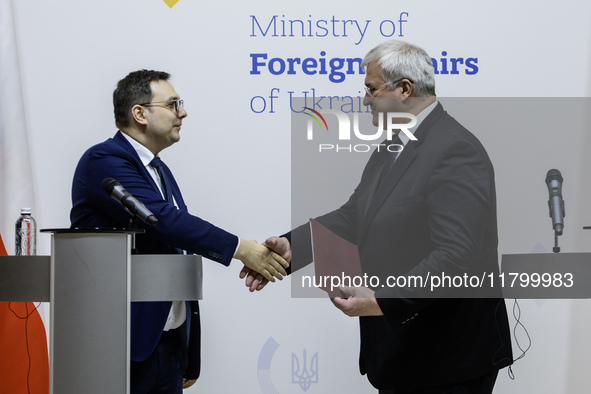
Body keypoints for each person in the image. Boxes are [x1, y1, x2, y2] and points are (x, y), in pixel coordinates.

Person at [243, 40, 513, 393]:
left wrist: (380, 299)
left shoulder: (455, 150)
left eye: (370, 89)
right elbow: (355, 215)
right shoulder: (395, 145)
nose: (365, 100)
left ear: (404, 89)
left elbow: (455, 257)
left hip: (447, 359)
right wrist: (290, 248)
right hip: (407, 354)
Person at [70, 69, 288, 393]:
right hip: (122, 345)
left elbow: (173, 246)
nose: (182, 112)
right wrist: (243, 249)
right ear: (140, 113)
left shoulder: (157, 168)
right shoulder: (104, 159)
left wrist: (188, 354)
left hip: (167, 346)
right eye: (173, 104)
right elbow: (164, 221)